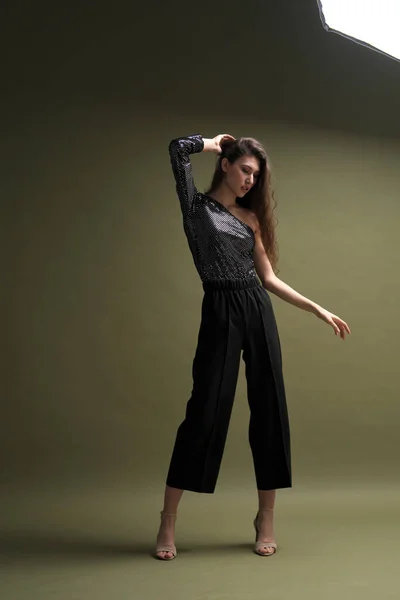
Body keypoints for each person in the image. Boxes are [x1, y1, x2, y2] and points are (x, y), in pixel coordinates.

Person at [155, 133, 351, 560]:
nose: (249, 180)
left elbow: (268, 278)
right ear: (226, 165)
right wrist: (211, 142)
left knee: (269, 407)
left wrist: (316, 308)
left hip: (256, 308)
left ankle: (266, 516)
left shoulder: (251, 218)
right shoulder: (195, 206)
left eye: (256, 175)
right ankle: (168, 519)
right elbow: (175, 149)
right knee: (205, 410)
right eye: (245, 170)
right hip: (220, 310)